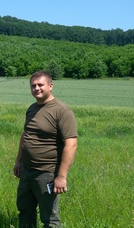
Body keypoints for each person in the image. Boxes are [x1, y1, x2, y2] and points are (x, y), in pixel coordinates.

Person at [13, 70, 78, 228]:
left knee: (49, 219)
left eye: (40, 85)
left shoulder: (62, 111)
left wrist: (61, 177)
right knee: (25, 211)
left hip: (47, 173)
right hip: (27, 170)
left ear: (50, 86)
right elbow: (25, 135)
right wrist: (18, 162)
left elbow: (71, 144)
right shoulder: (32, 108)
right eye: (33, 85)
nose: (36, 88)